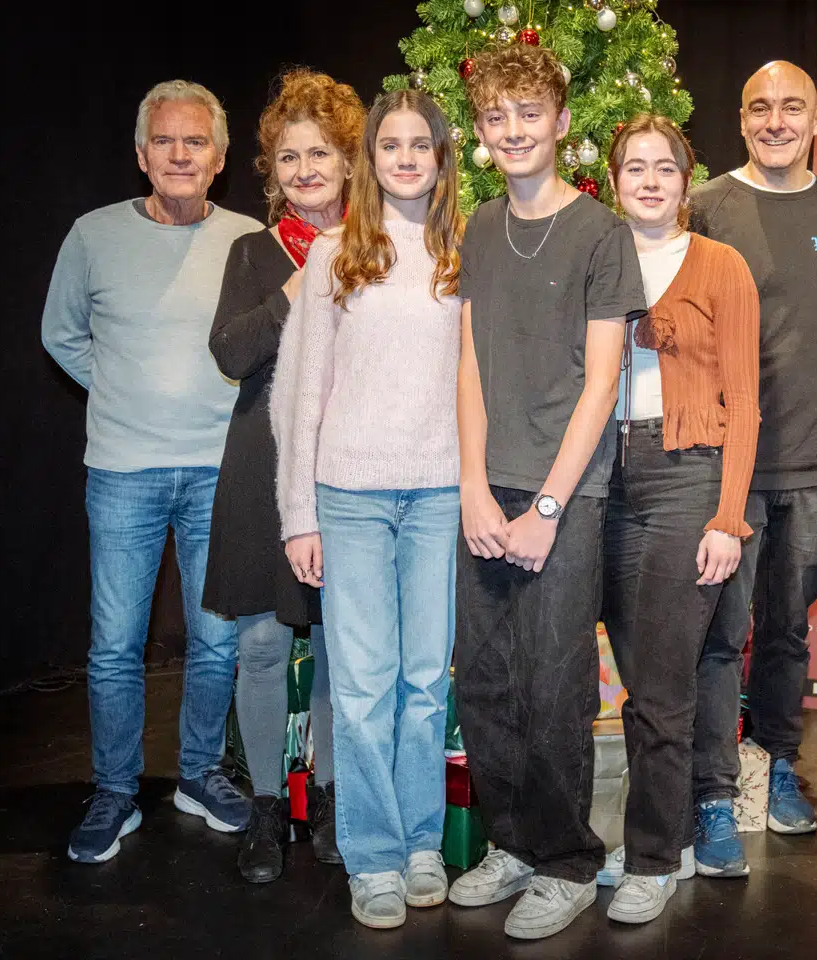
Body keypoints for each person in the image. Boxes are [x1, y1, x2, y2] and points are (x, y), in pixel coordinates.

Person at [448, 45, 647, 941]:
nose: (514, 131)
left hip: (565, 496)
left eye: (529, 114)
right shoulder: (480, 227)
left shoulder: (601, 233)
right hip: (486, 492)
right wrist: (473, 488)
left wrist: (549, 508)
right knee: (487, 680)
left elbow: (602, 385)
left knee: (558, 684)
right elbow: (468, 368)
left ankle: (567, 861)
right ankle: (513, 845)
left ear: (561, 123)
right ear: (482, 132)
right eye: (496, 118)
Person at [42, 80, 261, 864]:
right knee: (114, 646)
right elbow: (61, 334)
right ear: (141, 155)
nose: (179, 155)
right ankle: (114, 789)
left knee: (215, 641)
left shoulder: (249, 240)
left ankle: (199, 773)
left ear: (219, 158)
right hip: (123, 471)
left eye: (195, 141)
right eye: (164, 141)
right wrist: (122, 389)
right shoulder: (93, 236)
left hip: (217, 472)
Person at [271, 88, 464, 928]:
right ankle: (375, 856)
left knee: (423, 681)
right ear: (369, 159)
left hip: (439, 493)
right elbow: (300, 393)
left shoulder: (463, 254)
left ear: (442, 157)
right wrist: (299, 515)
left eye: (421, 144)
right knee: (361, 685)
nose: (406, 158)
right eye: (392, 144)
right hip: (348, 497)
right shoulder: (333, 255)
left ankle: (421, 844)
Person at [685, 60, 817, 876]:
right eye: (759, 107)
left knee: (788, 632)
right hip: (728, 469)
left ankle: (777, 762)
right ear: (740, 120)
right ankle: (714, 792)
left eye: (792, 107)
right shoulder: (706, 207)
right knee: (721, 636)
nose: (775, 121)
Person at [595, 114, 761, 923]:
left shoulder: (720, 264)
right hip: (604, 477)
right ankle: (671, 840)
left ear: (685, 180)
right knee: (641, 680)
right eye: (636, 166)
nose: (651, 180)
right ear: (614, 180)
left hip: (688, 474)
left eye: (665, 166)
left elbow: (747, 401)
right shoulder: (597, 258)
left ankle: (654, 857)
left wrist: (728, 518)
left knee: (662, 683)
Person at [205, 69, 366, 884]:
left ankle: (331, 802)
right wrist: (295, 292)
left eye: (321, 153)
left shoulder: (377, 248)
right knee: (263, 646)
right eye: (290, 156)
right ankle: (266, 808)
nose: (305, 170)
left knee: (340, 646)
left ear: (349, 162)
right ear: (272, 169)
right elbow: (231, 352)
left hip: (348, 471)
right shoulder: (253, 252)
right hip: (259, 472)